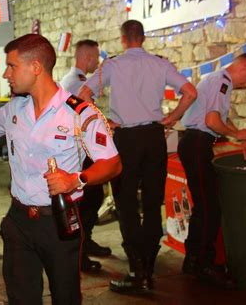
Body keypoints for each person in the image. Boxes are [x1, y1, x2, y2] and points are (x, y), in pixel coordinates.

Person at [0, 34, 122, 304]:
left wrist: (76, 180)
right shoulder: (15, 108)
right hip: (18, 219)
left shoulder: (79, 113)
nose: (6, 74)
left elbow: (113, 163)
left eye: (12, 66)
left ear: (36, 67)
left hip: (58, 221)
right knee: (21, 297)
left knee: (65, 296)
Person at [79, 20, 197, 294]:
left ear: (122, 39)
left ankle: (136, 271)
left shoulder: (113, 65)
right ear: (142, 39)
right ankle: (149, 267)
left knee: (126, 204)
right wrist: (171, 118)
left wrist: (104, 120)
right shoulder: (160, 64)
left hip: (126, 139)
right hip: (155, 137)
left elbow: (82, 96)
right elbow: (190, 92)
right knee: (154, 203)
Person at [178, 53, 246, 289]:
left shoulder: (216, 79)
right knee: (209, 207)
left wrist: (242, 139)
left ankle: (193, 259)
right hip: (197, 143)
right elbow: (213, 121)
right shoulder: (222, 82)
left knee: (203, 205)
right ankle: (205, 264)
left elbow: (221, 119)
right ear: (243, 68)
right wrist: (237, 135)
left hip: (195, 142)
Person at [60, 39, 111, 273]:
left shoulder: (71, 80)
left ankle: (85, 243)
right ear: (88, 57)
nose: (98, 61)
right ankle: (78, 252)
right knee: (88, 201)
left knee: (92, 199)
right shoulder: (78, 83)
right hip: (82, 150)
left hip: (80, 148)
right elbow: (88, 118)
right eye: (96, 57)